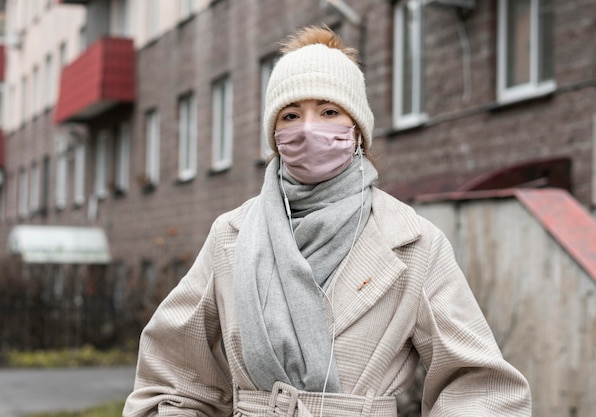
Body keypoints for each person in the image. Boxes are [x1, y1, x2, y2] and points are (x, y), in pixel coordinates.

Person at [123, 25, 532, 417]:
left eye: (329, 110)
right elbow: (176, 374)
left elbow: (478, 384)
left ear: (356, 129)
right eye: (290, 115)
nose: (309, 129)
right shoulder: (232, 236)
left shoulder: (413, 242)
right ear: (274, 133)